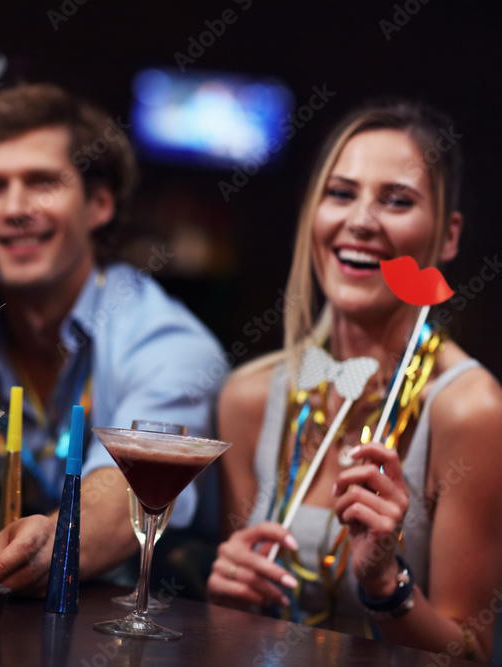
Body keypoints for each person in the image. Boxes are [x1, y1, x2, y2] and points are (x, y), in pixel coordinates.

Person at [0, 83, 225, 593]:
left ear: (99, 204)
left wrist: (51, 540)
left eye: (43, 182)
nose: (15, 207)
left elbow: (126, 501)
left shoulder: (172, 345)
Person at [207, 99, 502, 659]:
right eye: (341, 193)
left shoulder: (472, 411)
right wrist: (229, 600)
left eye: (397, 200)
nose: (360, 221)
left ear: (448, 237)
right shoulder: (247, 399)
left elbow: (473, 652)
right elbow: (240, 633)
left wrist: (385, 583)